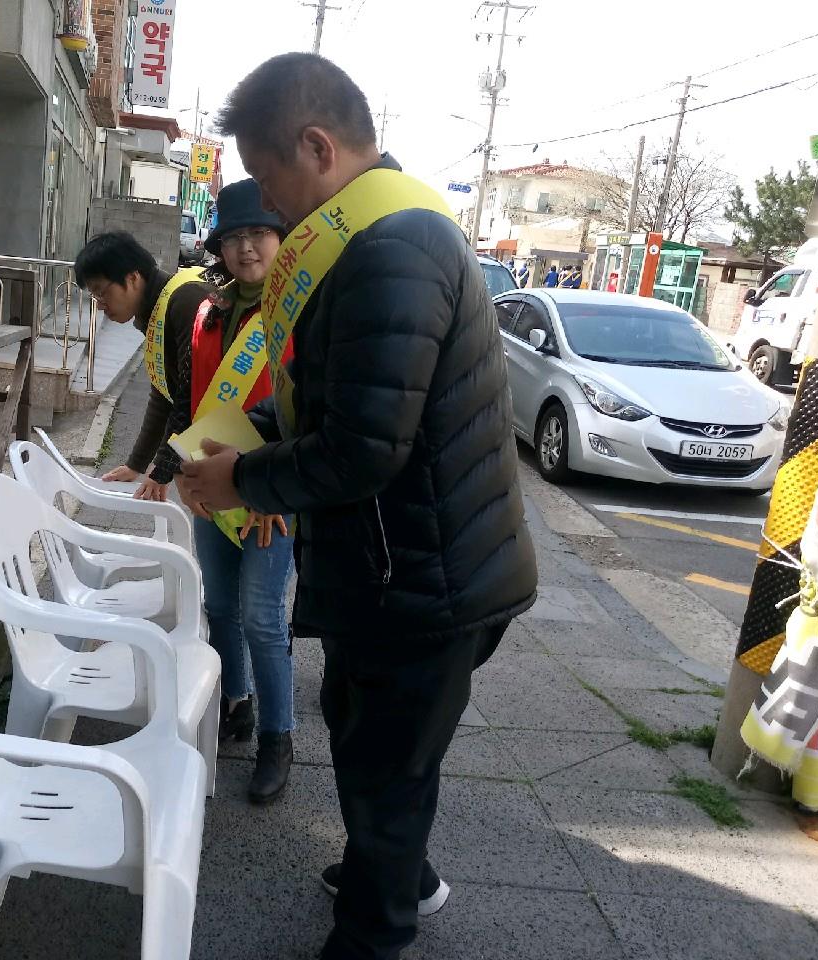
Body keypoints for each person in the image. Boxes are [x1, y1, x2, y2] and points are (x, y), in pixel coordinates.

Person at [181, 53, 538, 960]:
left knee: (385, 765)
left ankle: (375, 931)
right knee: (374, 741)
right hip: (408, 563)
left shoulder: (392, 248)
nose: (271, 204)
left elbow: (366, 448)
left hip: (425, 575)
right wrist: (252, 430)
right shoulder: (376, 235)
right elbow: (333, 399)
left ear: (317, 145)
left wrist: (243, 481)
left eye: (269, 177)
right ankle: (400, 872)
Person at [177, 178, 297, 804]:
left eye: (259, 234)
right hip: (213, 487)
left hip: (273, 492)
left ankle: (279, 735)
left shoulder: (303, 312)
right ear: (219, 248)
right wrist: (188, 476)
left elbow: (305, 416)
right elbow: (195, 403)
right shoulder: (207, 316)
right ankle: (237, 704)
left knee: (261, 618)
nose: (247, 248)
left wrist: (271, 491)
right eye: (235, 238)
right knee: (220, 607)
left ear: (281, 238)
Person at [74, 232, 213, 499]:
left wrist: (163, 469)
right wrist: (137, 464)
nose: (101, 305)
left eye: (102, 293)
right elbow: (164, 392)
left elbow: (190, 395)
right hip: (216, 443)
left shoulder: (184, 302)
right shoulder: (158, 307)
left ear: (133, 277)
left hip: (247, 447)